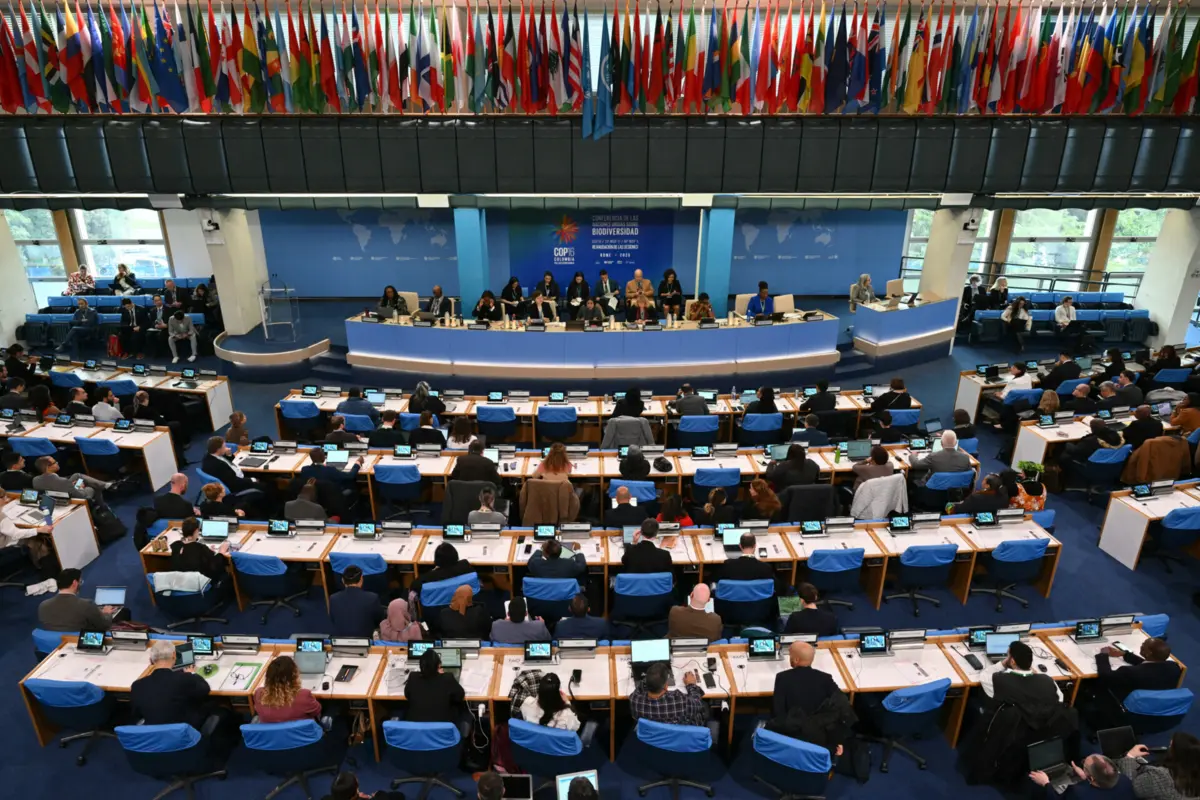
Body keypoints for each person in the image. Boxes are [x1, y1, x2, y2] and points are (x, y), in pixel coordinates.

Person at [130, 639, 214, 730]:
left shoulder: (137, 686)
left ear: (151, 660)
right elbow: (205, 689)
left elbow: (137, 714)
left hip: (154, 737)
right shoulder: (185, 679)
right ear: (174, 655)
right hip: (184, 734)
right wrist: (192, 674)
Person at [1115, 733, 1200, 800]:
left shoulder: (1160, 776)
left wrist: (1130, 756)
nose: (1167, 749)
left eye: (1170, 747)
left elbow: (1131, 787)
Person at [1096, 638, 1182, 702]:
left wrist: (1103, 656)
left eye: (1143, 645)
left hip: (1126, 705)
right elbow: (1151, 666)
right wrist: (1125, 654)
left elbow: (1106, 676)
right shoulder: (1174, 667)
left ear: (1149, 653)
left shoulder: (1129, 672)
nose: (1141, 646)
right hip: (1155, 703)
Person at [773, 640, 842, 720]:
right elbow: (841, 702)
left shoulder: (782, 677)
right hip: (819, 728)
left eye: (790, 655)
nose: (789, 658)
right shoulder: (826, 678)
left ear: (796, 660)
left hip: (792, 729)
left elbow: (778, 711)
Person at [980, 639, 1063, 703]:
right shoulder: (1048, 681)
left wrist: (1003, 663)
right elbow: (1060, 699)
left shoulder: (1000, 681)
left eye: (1007, 655)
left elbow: (984, 676)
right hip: (1043, 723)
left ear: (1012, 661)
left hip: (1012, 723)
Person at [37, 568, 120, 631]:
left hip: (58, 646)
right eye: (80, 581)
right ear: (75, 583)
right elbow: (104, 625)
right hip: (83, 643)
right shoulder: (86, 604)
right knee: (123, 613)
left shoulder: (43, 606)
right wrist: (106, 613)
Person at [630, 662, 709, 727]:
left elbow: (640, 688)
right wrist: (691, 685)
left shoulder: (634, 700)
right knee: (705, 706)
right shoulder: (681, 701)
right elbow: (696, 702)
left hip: (652, 738)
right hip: (679, 737)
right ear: (666, 687)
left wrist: (650, 679)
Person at [254, 655, 323, 723]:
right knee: (330, 705)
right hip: (302, 733)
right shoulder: (304, 695)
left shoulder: (259, 694)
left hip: (270, 734)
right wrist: (312, 699)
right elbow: (317, 711)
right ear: (294, 676)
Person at [404, 648, 467, 723]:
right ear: (439, 665)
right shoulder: (447, 678)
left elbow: (407, 695)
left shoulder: (413, 677)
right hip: (442, 730)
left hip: (416, 731)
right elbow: (460, 696)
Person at [330, 565, 386, 638]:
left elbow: (333, 619)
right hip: (366, 640)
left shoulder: (333, 598)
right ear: (361, 580)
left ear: (343, 580)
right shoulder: (372, 598)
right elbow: (378, 620)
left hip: (341, 641)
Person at [170, 517, 230, 582]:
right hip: (197, 585)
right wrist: (221, 552)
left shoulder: (175, 545)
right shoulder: (200, 548)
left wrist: (208, 551)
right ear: (196, 530)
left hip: (179, 583)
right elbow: (214, 566)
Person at [32, 455, 114, 502]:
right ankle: (102, 510)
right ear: (48, 467)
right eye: (54, 462)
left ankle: (106, 485)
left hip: (60, 493)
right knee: (91, 487)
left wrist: (71, 486)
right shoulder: (63, 481)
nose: (57, 462)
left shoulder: (35, 480)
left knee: (77, 475)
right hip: (73, 498)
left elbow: (57, 486)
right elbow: (81, 496)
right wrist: (80, 487)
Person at [409, 542, 473, 595]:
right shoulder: (465, 565)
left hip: (437, 608)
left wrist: (433, 570)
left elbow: (413, 586)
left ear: (437, 560)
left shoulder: (429, 577)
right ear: (455, 555)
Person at [299, 446, 364, 486]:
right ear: (324, 458)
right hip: (334, 497)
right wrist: (357, 463)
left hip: (315, 498)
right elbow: (350, 476)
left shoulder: (304, 470)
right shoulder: (330, 470)